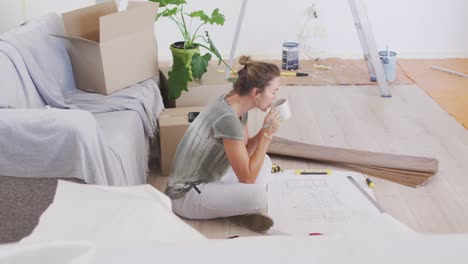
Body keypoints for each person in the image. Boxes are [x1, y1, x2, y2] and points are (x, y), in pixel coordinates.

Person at [165, 56, 282, 232]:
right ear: (256, 93)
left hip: (210, 176)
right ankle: (237, 210)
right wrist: (266, 135)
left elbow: (246, 149)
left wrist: (265, 129)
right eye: (273, 92)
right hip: (185, 195)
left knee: (263, 160)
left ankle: (233, 208)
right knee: (258, 197)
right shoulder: (228, 119)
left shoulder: (234, 103)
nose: (275, 97)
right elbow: (247, 178)